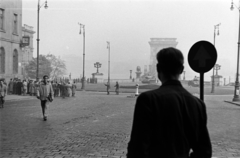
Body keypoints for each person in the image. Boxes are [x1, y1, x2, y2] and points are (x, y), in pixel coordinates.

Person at [127, 47, 212, 158]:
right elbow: (204, 151)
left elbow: (138, 149)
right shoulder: (197, 104)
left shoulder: (148, 100)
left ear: (158, 69)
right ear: (181, 70)